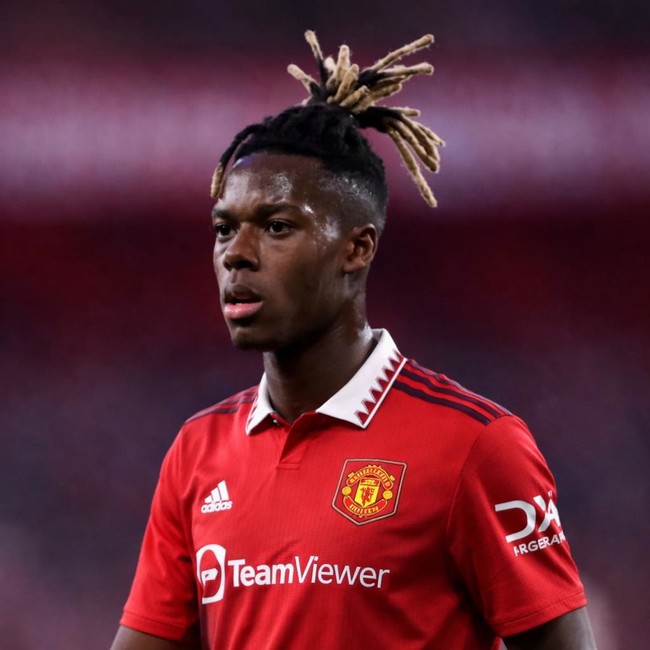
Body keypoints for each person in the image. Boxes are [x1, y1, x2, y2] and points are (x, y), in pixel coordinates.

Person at [111, 32, 596, 649]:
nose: (236, 254)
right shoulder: (197, 452)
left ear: (357, 249)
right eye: (224, 228)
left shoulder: (476, 446)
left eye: (277, 227)